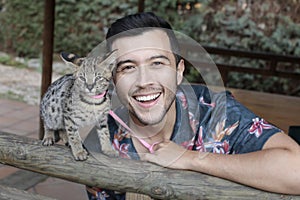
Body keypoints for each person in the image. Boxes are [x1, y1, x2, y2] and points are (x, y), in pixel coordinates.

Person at [85, 12, 300, 199]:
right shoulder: (101, 140)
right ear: (113, 79)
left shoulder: (214, 111)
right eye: (128, 67)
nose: (144, 81)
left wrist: (190, 159)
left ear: (179, 72)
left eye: (157, 63)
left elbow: (296, 170)